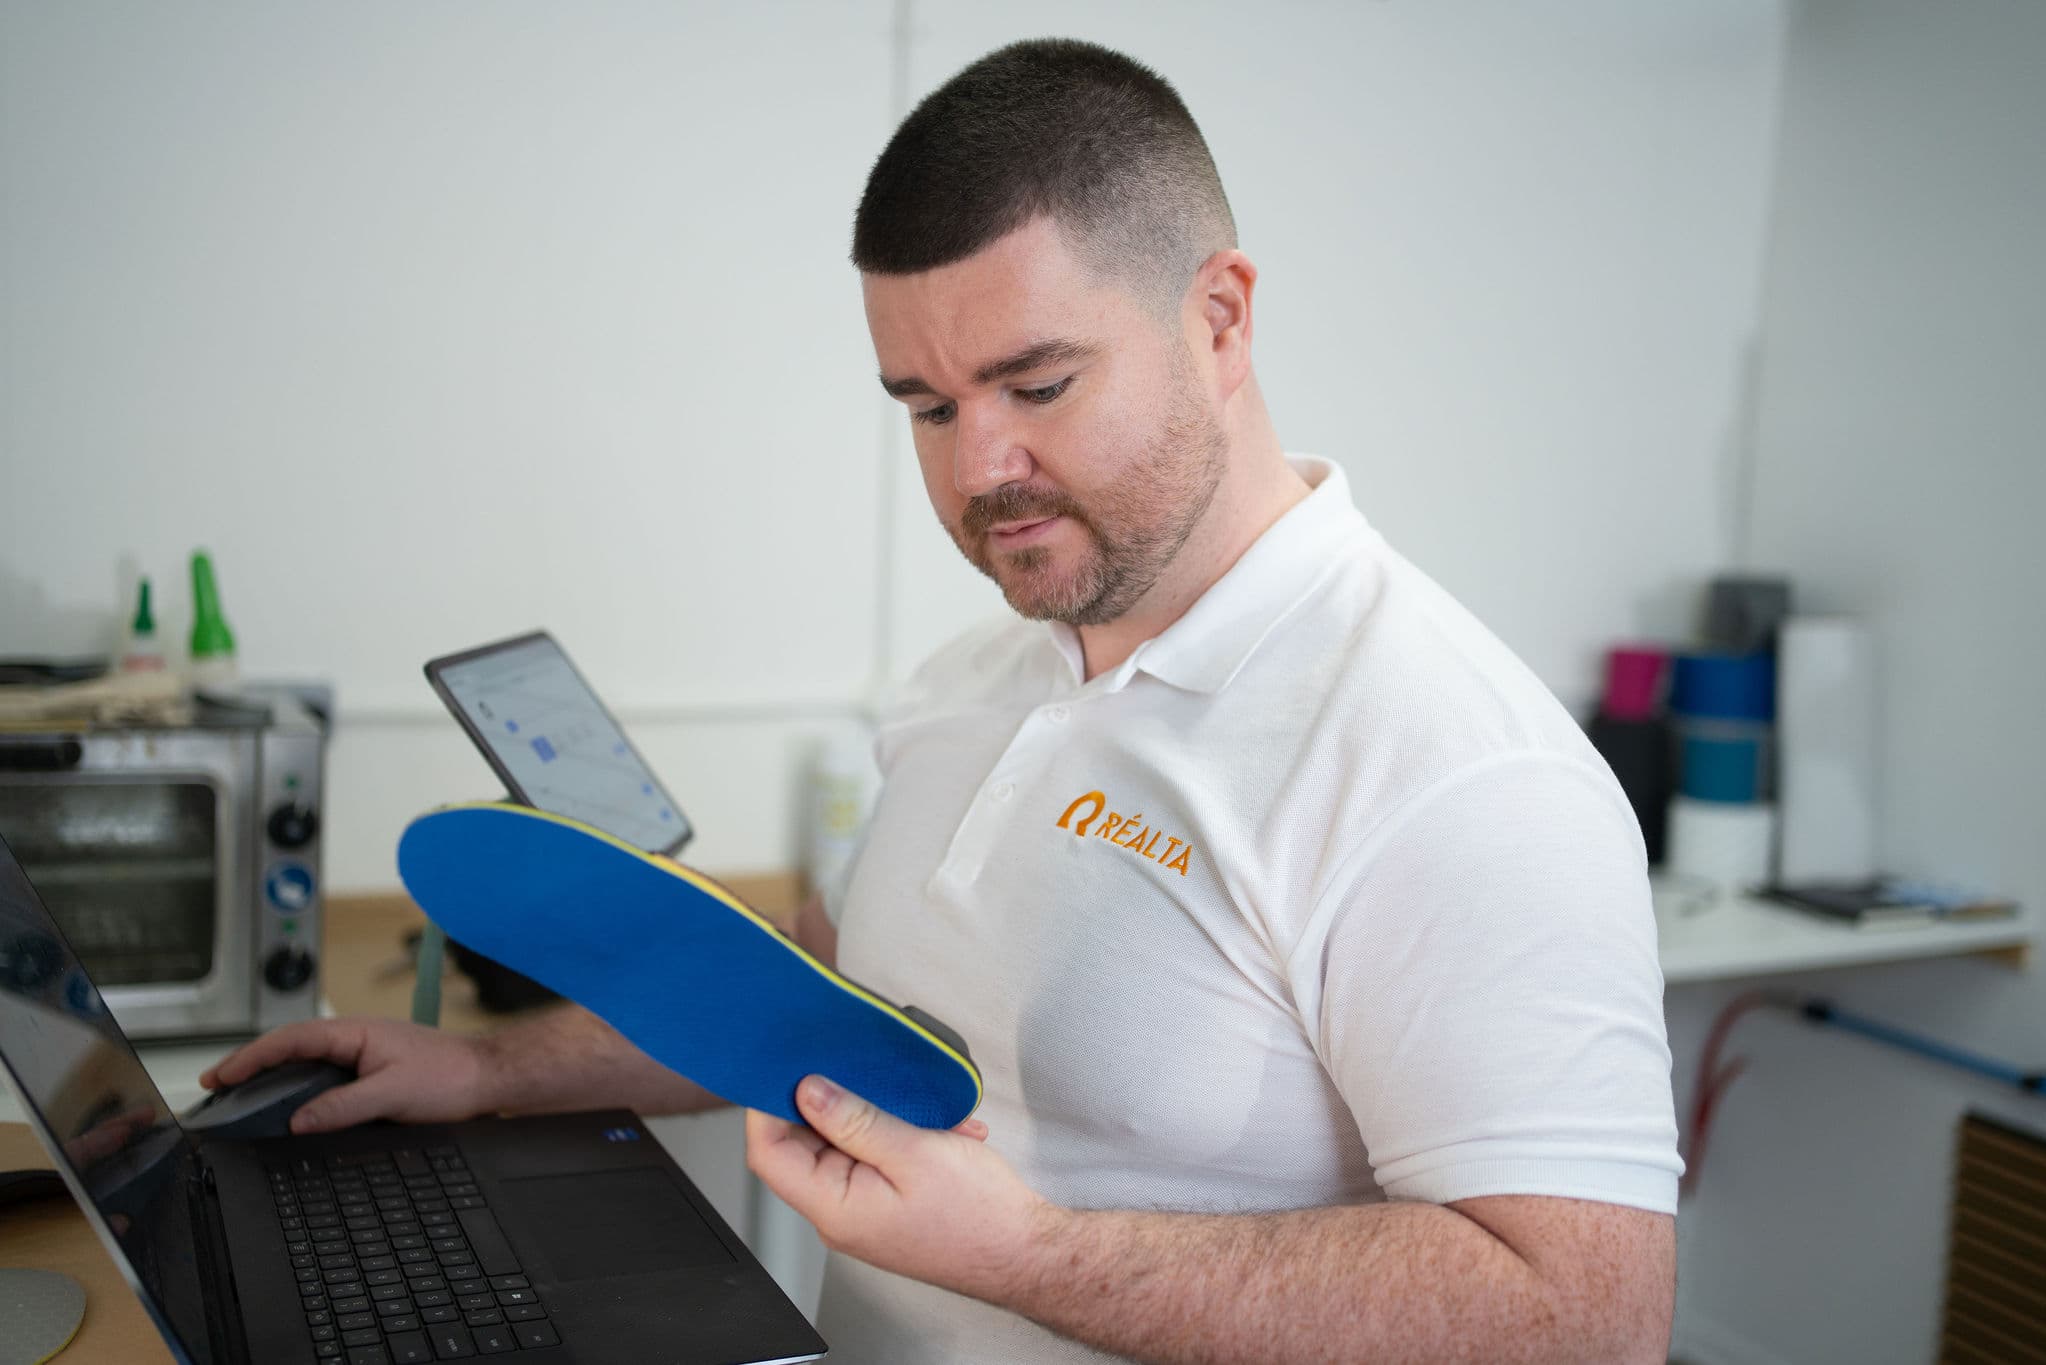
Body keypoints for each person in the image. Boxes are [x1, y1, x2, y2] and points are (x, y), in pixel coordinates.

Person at [207, 38, 1682, 1363]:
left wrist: (1034, 1257)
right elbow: (826, 1008)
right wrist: (485, 1068)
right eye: (925, 405)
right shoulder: (985, 667)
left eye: (1037, 384)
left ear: (1220, 319)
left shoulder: (1454, 766)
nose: (976, 471)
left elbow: (1587, 1316)